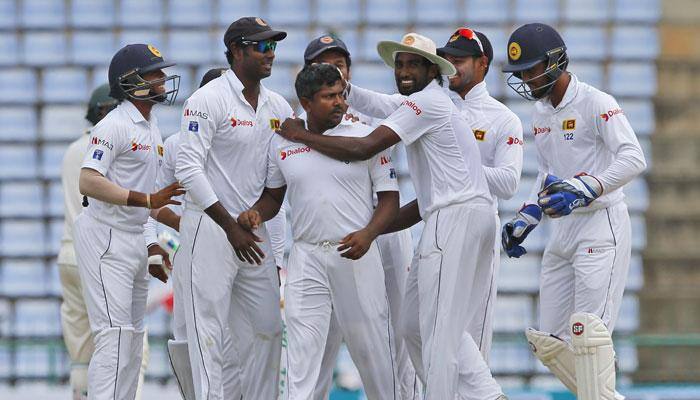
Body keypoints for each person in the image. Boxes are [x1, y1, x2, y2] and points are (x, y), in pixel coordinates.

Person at [277, 33, 506, 400]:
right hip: (442, 214)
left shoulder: (426, 104)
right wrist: (371, 228)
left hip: (455, 215)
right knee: (411, 324)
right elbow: (377, 103)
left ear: (433, 69)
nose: (403, 71)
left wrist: (300, 134)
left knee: (437, 327)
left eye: (413, 63)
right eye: (399, 64)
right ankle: (487, 393)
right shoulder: (420, 102)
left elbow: (364, 146)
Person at [500, 23, 647, 400]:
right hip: (562, 231)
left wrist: (586, 188)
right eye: (522, 73)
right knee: (550, 342)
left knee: (588, 335)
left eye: (532, 69)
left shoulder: (597, 102)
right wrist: (528, 215)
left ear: (556, 61)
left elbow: (633, 158)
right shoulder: (540, 113)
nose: (527, 79)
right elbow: (548, 173)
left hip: (601, 225)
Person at [239, 62, 400, 399]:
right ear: (306, 102)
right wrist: (256, 214)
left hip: (354, 253)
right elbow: (273, 196)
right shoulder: (282, 143)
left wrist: (368, 234)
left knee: (371, 352)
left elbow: (389, 201)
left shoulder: (365, 137)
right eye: (329, 97)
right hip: (307, 255)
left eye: (341, 94)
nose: (340, 102)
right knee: (302, 352)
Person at [174, 17, 292, 400]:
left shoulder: (277, 105)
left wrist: (256, 214)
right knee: (207, 333)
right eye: (262, 46)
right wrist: (229, 225)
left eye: (273, 46)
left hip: (250, 231)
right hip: (210, 227)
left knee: (268, 328)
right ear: (237, 51)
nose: (270, 53)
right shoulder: (207, 99)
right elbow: (188, 168)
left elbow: (276, 180)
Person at [302, 34, 419, 399]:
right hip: (337, 235)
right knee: (325, 336)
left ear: (349, 69)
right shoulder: (300, 119)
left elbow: (364, 145)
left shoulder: (375, 107)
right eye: (324, 62)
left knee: (397, 329)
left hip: (385, 228)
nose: (334, 68)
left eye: (340, 62)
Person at [73, 43, 184, 400]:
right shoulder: (115, 124)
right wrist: (147, 201)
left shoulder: (150, 127)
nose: (163, 80)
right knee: (114, 336)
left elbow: (151, 201)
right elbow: (88, 180)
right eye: (154, 74)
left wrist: (186, 227)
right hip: (106, 237)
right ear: (130, 81)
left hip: (133, 236)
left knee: (133, 339)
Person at [59, 84, 119, 400]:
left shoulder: (72, 149)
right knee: (122, 344)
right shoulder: (106, 149)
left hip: (67, 254)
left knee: (82, 351)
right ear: (105, 112)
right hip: (96, 252)